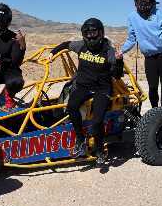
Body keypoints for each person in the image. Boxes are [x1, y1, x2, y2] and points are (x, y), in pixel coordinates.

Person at [50, 18, 123, 166]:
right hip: (83, 86)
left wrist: (119, 60)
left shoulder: (108, 50)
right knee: (71, 107)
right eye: (87, 34)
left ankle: (100, 150)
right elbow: (66, 44)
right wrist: (52, 53)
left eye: (93, 33)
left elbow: (117, 75)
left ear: (101, 33)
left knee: (97, 121)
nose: (90, 36)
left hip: (102, 88)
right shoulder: (81, 45)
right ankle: (80, 140)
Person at [121, 0, 162, 107]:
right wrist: (121, 51)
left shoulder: (158, 13)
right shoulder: (132, 17)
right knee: (152, 86)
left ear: (152, 1)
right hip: (149, 57)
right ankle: (154, 111)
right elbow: (131, 39)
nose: (144, 2)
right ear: (136, 1)